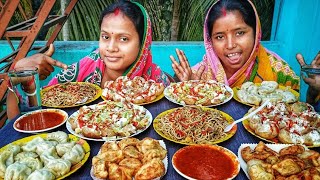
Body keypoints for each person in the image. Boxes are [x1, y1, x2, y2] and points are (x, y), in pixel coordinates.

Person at [7, 0, 171, 120]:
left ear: (143, 43)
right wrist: (20, 75)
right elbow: (25, 119)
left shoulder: (155, 82)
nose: (111, 47)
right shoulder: (81, 73)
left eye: (123, 39)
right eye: (105, 37)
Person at [170, 0, 300, 89]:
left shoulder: (278, 72)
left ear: (256, 32)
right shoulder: (199, 75)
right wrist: (188, 91)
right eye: (220, 37)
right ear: (210, 41)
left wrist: (312, 93)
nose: (230, 45)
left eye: (240, 33)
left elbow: (303, 109)